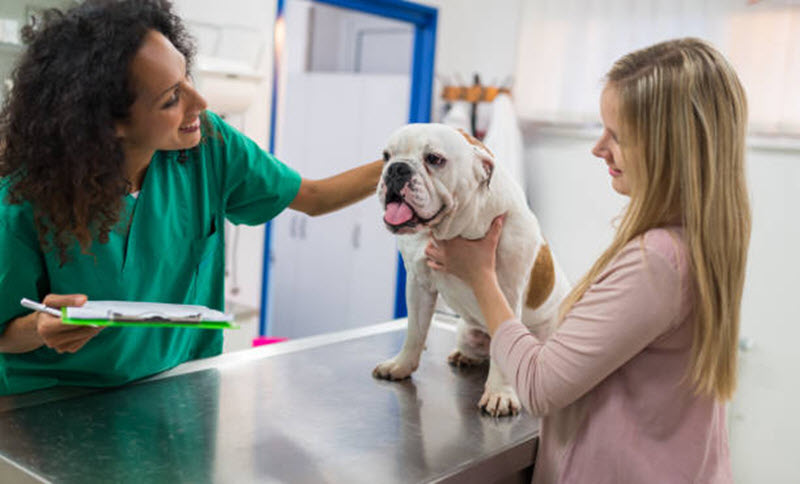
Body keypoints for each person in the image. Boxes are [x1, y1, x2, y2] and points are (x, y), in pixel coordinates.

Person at [0, 0, 383, 395]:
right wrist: (42, 328)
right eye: (171, 98)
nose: (199, 103)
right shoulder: (27, 196)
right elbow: (4, 334)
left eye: (187, 78)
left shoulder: (208, 145)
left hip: (177, 390)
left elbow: (314, 197)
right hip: (52, 406)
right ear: (109, 122)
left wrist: (413, 160)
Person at [425, 38, 749, 483]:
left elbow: (539, 388)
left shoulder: (657, 261)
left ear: (670, 147)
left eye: (617, 136)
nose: (599, 149)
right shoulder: (703, 238)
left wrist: (480, 275)